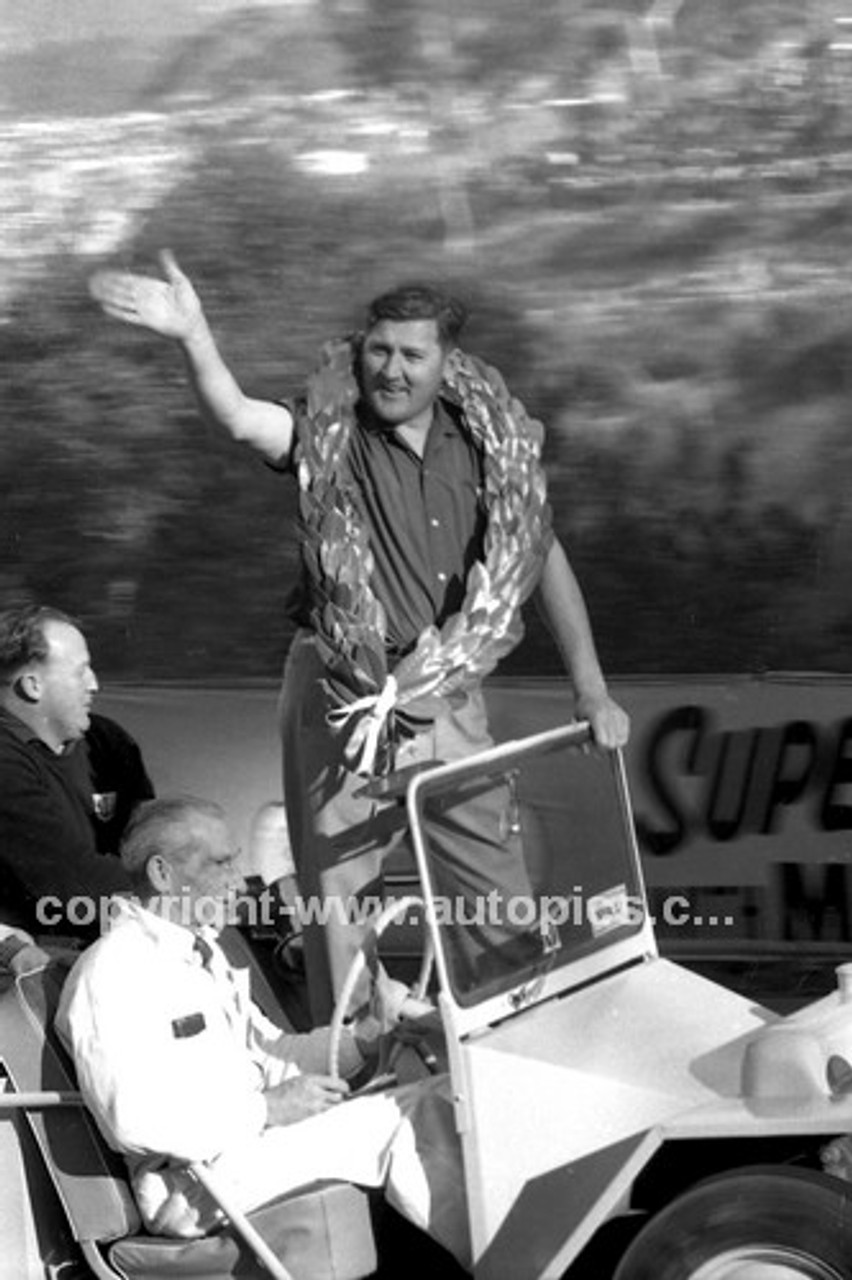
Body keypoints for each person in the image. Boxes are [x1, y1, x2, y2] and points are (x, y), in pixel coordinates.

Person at [89, 254, 631, 1022]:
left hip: (448, 693)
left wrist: (592, 688)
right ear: (359, 350)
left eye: (413, 355)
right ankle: (349, 1055)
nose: (392, 370)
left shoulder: (489, 448)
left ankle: (514, 1029)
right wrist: (193, 334)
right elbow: (241, 419)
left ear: (449, 363)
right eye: (379, 350)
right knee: (340, 895)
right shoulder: (332, 430)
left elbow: (542, 561)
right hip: (344, 694)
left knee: (492, 883)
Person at [56, 796, 470, 1268]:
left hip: (246, 1152)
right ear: (162, 875)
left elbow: (273, 1055)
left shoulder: (202, 955)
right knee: (412, 1112)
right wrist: (269, 1108)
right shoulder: (114, 970)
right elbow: (132, 1119)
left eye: (236, 859)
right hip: (195, 1185)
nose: (238, 878)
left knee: (439, 1092)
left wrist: (368, 1032)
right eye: (221, 862)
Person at [0, 604, 154, 945]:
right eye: (80, 671)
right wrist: (181, 895)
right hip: (35, 957)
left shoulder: (109, 743)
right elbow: (71, 878)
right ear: (32, 686)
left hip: (123, 929)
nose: (95, 684)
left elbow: (156, 838)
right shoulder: (6, 765)